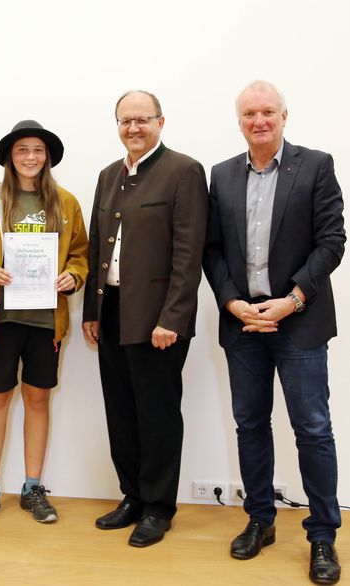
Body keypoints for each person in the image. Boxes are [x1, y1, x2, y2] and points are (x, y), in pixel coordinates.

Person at [202, 80, 346, 585]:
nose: (258, 121)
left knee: (312, 429)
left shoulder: (316, 165)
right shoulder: (221, 175)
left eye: (267, 112)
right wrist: (232, 301)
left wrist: (292, 301)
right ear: (239, 121)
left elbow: (332, 241)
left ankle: (322, 536)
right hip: (243, 324)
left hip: (299, 322)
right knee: (250, 425)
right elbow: (212, 249)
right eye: (249, 114)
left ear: (284, 116)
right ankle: (260, 520)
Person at [82, 91, 208, 547]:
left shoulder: (183, 171)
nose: (133, 128)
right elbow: (98, 246)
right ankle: (132, 495)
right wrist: (92, 312)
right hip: (112, 311)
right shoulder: (107, 175)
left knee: (156, 414)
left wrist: (172, 317)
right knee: (121, 409)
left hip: (158, 319)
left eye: (142, 120)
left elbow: (188, 253)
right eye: (124, 120)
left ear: (160, 122)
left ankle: (158, 507)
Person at [0, 120, 88, 526]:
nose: (31, 157)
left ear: (47, 156)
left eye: (37, 150)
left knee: (38, 400)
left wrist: (74, 276)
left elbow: (80, 256)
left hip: (44, 323)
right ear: (10, 158)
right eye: (22, 151)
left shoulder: (66, 203)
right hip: (2, 319)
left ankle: (33, 486)